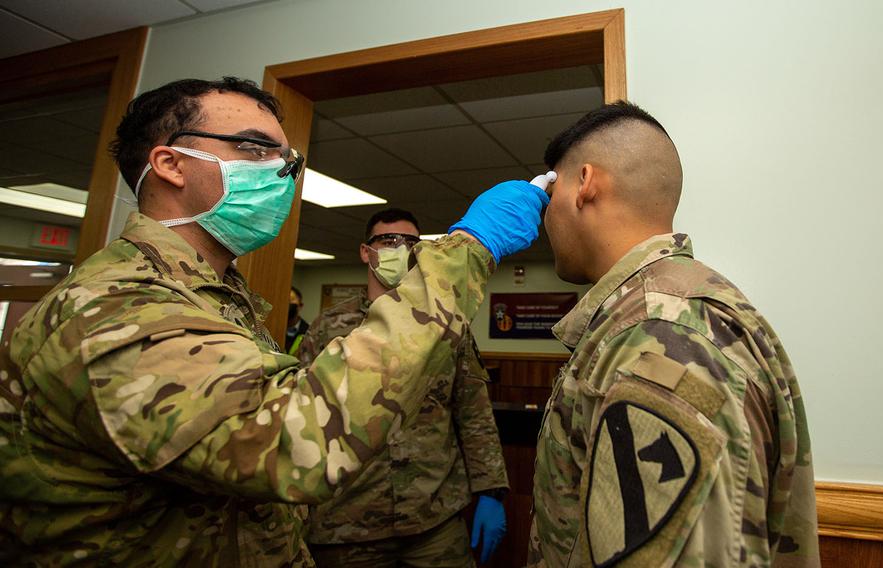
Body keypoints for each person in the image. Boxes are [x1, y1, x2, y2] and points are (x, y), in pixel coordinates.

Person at [0, 76, 549, 567]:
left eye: (287, 159)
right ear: (171, 164)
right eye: (255, 148)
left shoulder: (213, 299)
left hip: (429, 515)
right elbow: (297, 443)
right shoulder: (117, 308)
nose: (281, 172)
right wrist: (469, 249)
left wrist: (489, 488)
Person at [528, 102, 819, 567]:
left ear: (585, 184)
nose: (545, 215)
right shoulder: (664, 310)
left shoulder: (659, 334)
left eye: (550, 190)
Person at [300, 208, 509, 567]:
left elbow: (473, 411)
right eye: (389, 240)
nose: (402, 248)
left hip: (434, 517)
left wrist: (491, 490)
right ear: (367, 252)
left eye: (411, 242)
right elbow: (304, 416)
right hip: (346, 524)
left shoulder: (445, 326)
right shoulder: (328, 328)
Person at [286, 286, 309, 354]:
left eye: (291, 299)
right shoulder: (270, 330)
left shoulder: (309, 332)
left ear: (300, 306)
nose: (288, 304)